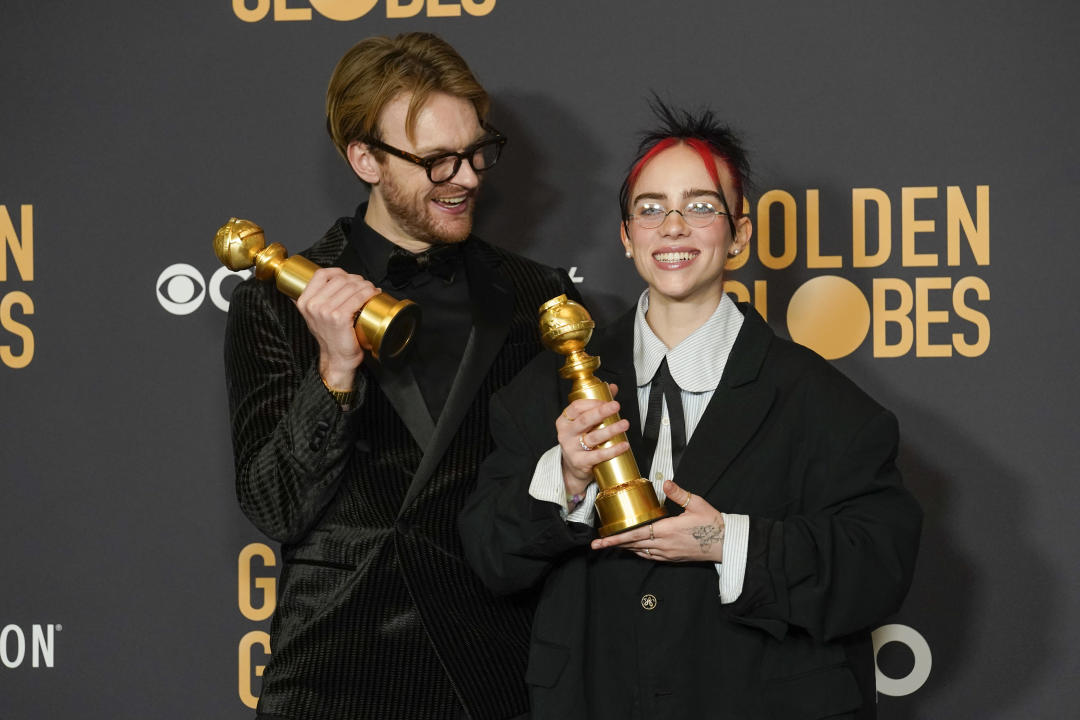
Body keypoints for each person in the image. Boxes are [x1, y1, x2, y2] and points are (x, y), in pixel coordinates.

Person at [460, 102, 922, 719]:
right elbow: (490, 557)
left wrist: (726, 541)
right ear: (627, 236)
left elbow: (877, 568)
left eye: (701, 206)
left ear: (741, 232)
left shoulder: (823, 402)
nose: (673, 226)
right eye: (651, 209)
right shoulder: (545, 390)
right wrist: (565, 479)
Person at [224, 32, 576, 720]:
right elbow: (274, 506)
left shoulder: (541, 297)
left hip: (493, 668)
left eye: (477, 151)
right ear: (365, 159)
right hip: (333, 672)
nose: (469, 177)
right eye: (439, 161)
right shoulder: (275, 300)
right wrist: (334, 371)